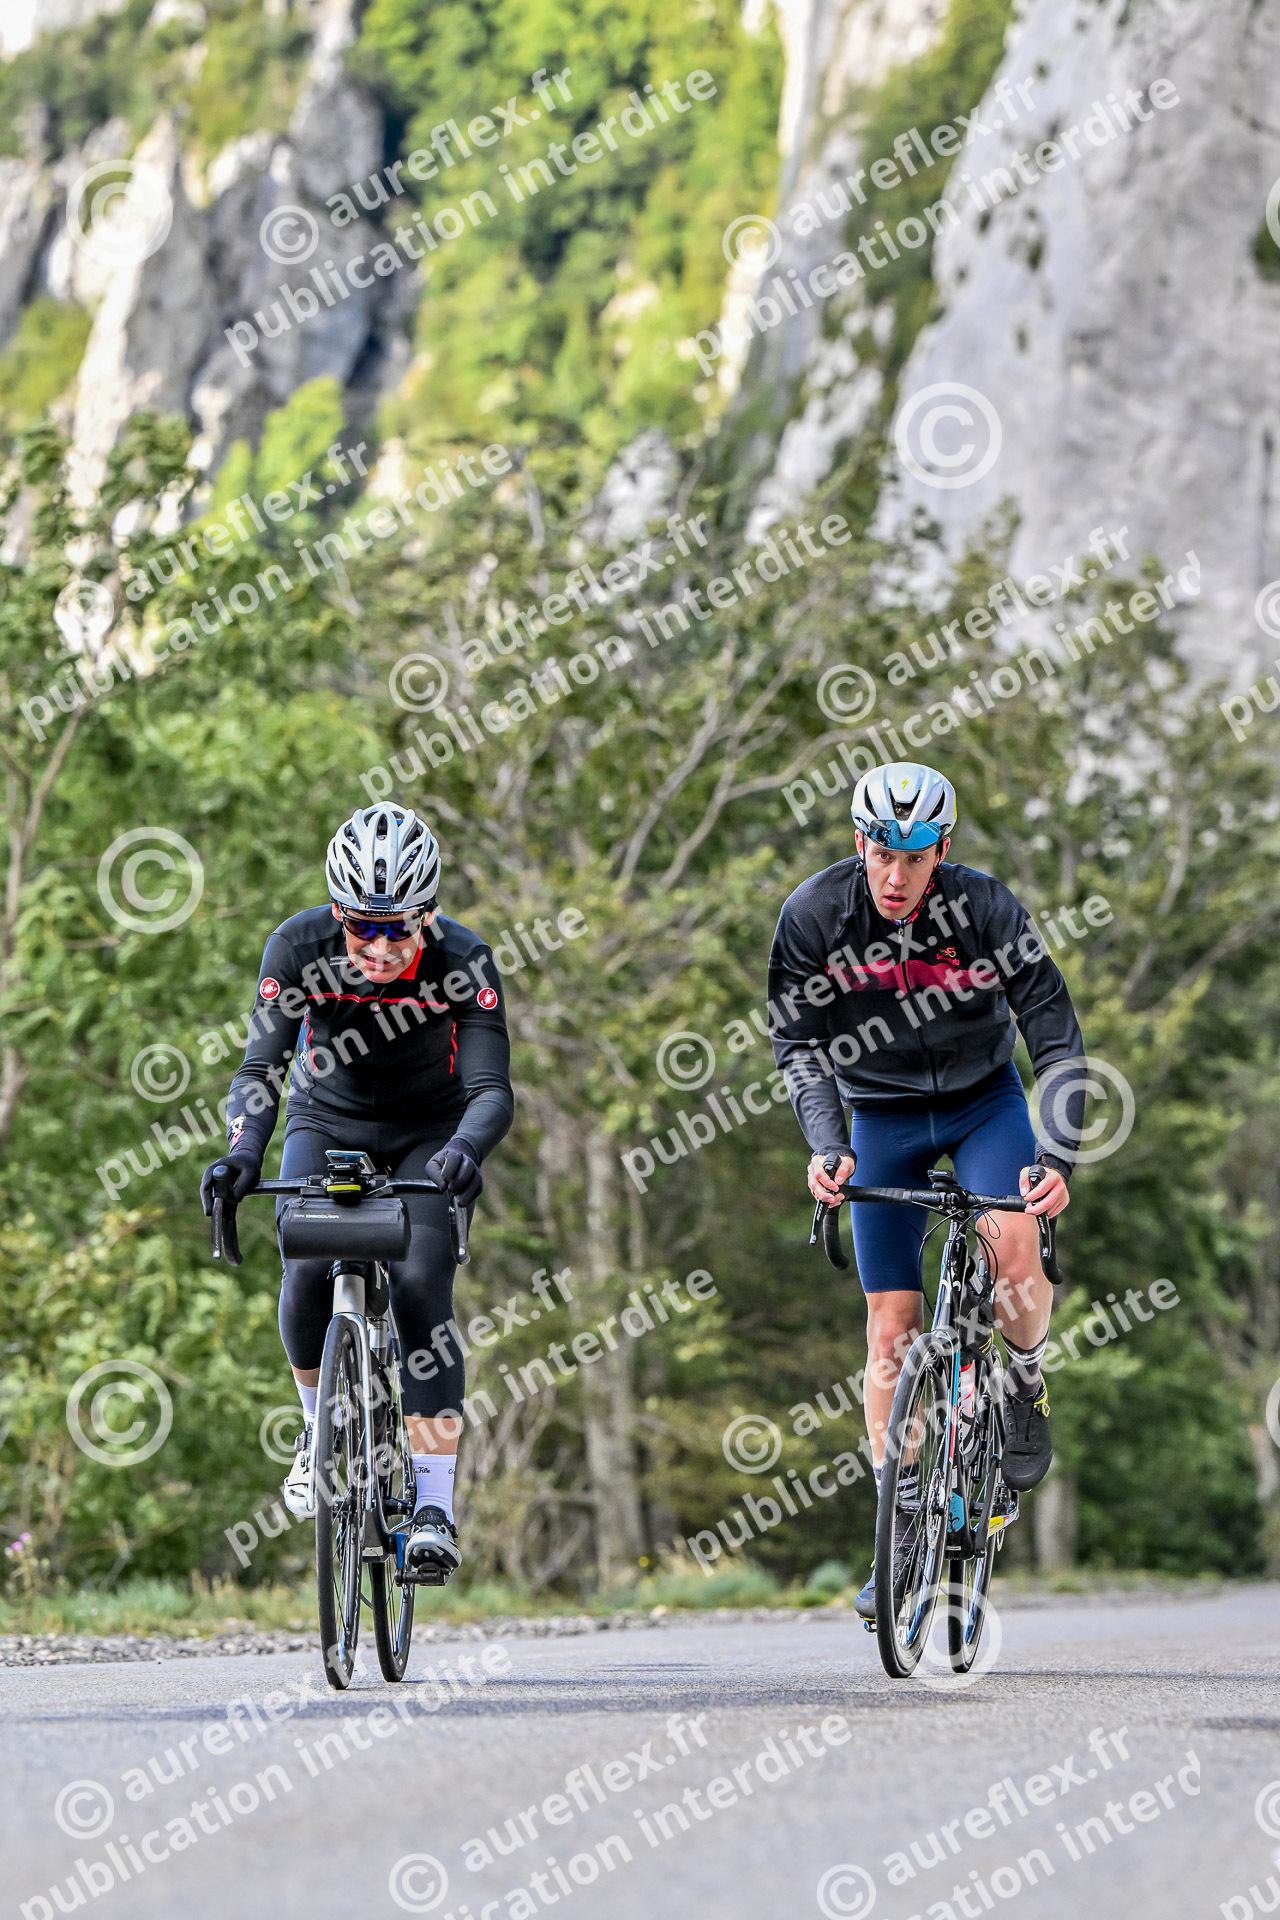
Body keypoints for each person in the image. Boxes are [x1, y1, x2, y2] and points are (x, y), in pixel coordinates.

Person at [768, 762, 1084, 1621]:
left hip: (985, 1104)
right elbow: (797, 1043)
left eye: (914, 858)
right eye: (882, 855)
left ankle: (1023, 1380)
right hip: (880, 1116)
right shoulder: (816, 914)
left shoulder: (986, 909)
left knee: (1013, 1245)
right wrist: (827, 1146)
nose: (896, 876)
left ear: (942, 850)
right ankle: (901, 1519)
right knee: (891, 1325)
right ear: (859, 843)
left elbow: (1055, 1036)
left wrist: (1057, 1158)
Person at [200, 804, 513, 1583]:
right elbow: (260, 1070)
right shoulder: (298, 946)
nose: (377, 946)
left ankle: (433, 1505)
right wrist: (243, 1152)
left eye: (396, 928)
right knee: (307, 1267)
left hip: (430, 1130)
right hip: (327, 1116)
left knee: (420, 1285)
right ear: (337, 913)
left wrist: (467, 1149)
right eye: (360, 926)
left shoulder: (464, 959)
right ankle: (315, 1435)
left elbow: (491, 1090)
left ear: (427, 915)